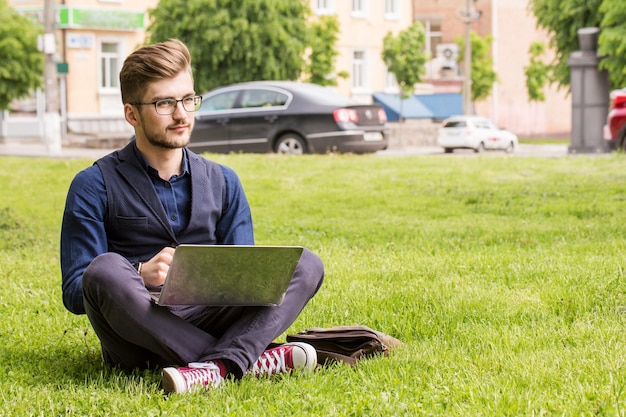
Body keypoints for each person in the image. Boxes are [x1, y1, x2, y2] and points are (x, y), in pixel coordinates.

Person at [60, 39, 325, 394]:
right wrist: (139, 272)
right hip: (137, 332)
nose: (182, 114)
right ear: (132, 114)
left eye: (188, 99)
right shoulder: (93, 184)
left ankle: (212, 368)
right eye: (164, 103)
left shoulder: (224, 181)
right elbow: (77, 291)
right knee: (104, 269)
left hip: (212, 316)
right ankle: (248, 359)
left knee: (307, 264)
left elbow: (249, 279)